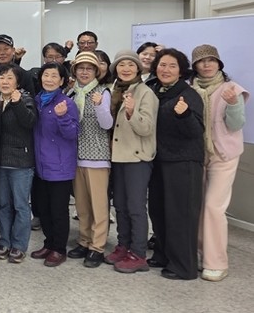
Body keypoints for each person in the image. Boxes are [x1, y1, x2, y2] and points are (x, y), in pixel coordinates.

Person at [190, 44, 249, 282]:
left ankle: (216, 262)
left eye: (211, 60)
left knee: (214, 206)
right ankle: (200, 251)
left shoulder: (231, 89)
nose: (206, 65)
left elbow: (236, 125)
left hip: (223, 155)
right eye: (201, 61)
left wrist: (233, 103)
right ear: (194, 65)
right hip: (197, 155)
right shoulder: (190, 89)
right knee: (198, 205)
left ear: (219, 63)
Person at [148, 48, 205, 280]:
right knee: (159, 210)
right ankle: (163, 254)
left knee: (180, 214)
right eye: (162, 65)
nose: (166, 70)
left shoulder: (188, 94)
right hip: (159, 159)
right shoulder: (155, 90)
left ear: (181, 71)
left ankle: (183, 266)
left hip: (183, 161)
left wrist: (184, 115)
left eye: (172, 66)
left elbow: (196, 131)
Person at [104, 50, 158, 273]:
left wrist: (131, 112)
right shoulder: (113, 90)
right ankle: (123, 245)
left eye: (130, 64)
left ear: (138, 68)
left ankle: (138, 253)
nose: (125, 68)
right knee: (120, 205)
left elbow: (146, 128)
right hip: (117, 156)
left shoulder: (145, 93)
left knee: (135, 206)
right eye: (121, 65)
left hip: (137, 157)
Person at [65, 52, 113, 267]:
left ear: (96, 72)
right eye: (81, 68)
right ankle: (84, 241)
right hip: (75, 157)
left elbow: (107, 124)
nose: (84, 72)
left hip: (97, 157)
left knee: (99, 206)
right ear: (75, 71)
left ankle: (97, 246)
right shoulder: (71, 93)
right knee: (82, 206)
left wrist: (100, 105)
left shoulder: (103, 92)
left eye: (89, 68)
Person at [30, 62, 79, 267]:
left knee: (58, 210)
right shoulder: (36, 101)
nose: (49, 79)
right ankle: (49, 243)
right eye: (46, 75)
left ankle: (59, 249)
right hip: (40, 165)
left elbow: (73, 134)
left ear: (61, 81)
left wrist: (62, 117)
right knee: (44, 209)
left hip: (60, 166)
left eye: (54, 76)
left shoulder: (66, 103)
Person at [0, 64, 36, 264]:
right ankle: (4, 242)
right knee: (3, 205)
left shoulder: (25, 99)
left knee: (20, 205)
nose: (5, 82)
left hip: (21, 162)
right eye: (2, 77)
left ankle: (19, 245)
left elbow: (30, 123)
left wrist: (17, 103)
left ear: (17, 82)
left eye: (10, 78)